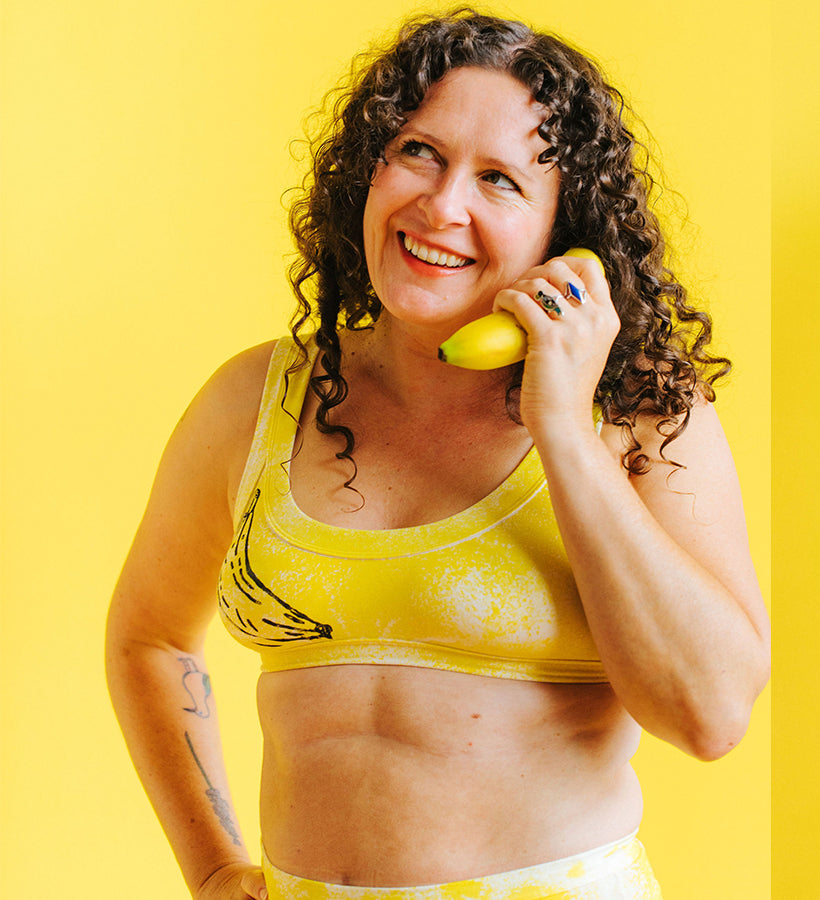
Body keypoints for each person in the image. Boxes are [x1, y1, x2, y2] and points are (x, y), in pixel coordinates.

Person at [106, 8, 770, 899]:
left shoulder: (640, 413)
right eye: (418, 151)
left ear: (561, 237)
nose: (442, 206)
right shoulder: (257, 400)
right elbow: (149, 637)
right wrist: (217, 868)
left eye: (499, 180)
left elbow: (711, 714)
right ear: (367, 170)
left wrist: (565, 427)